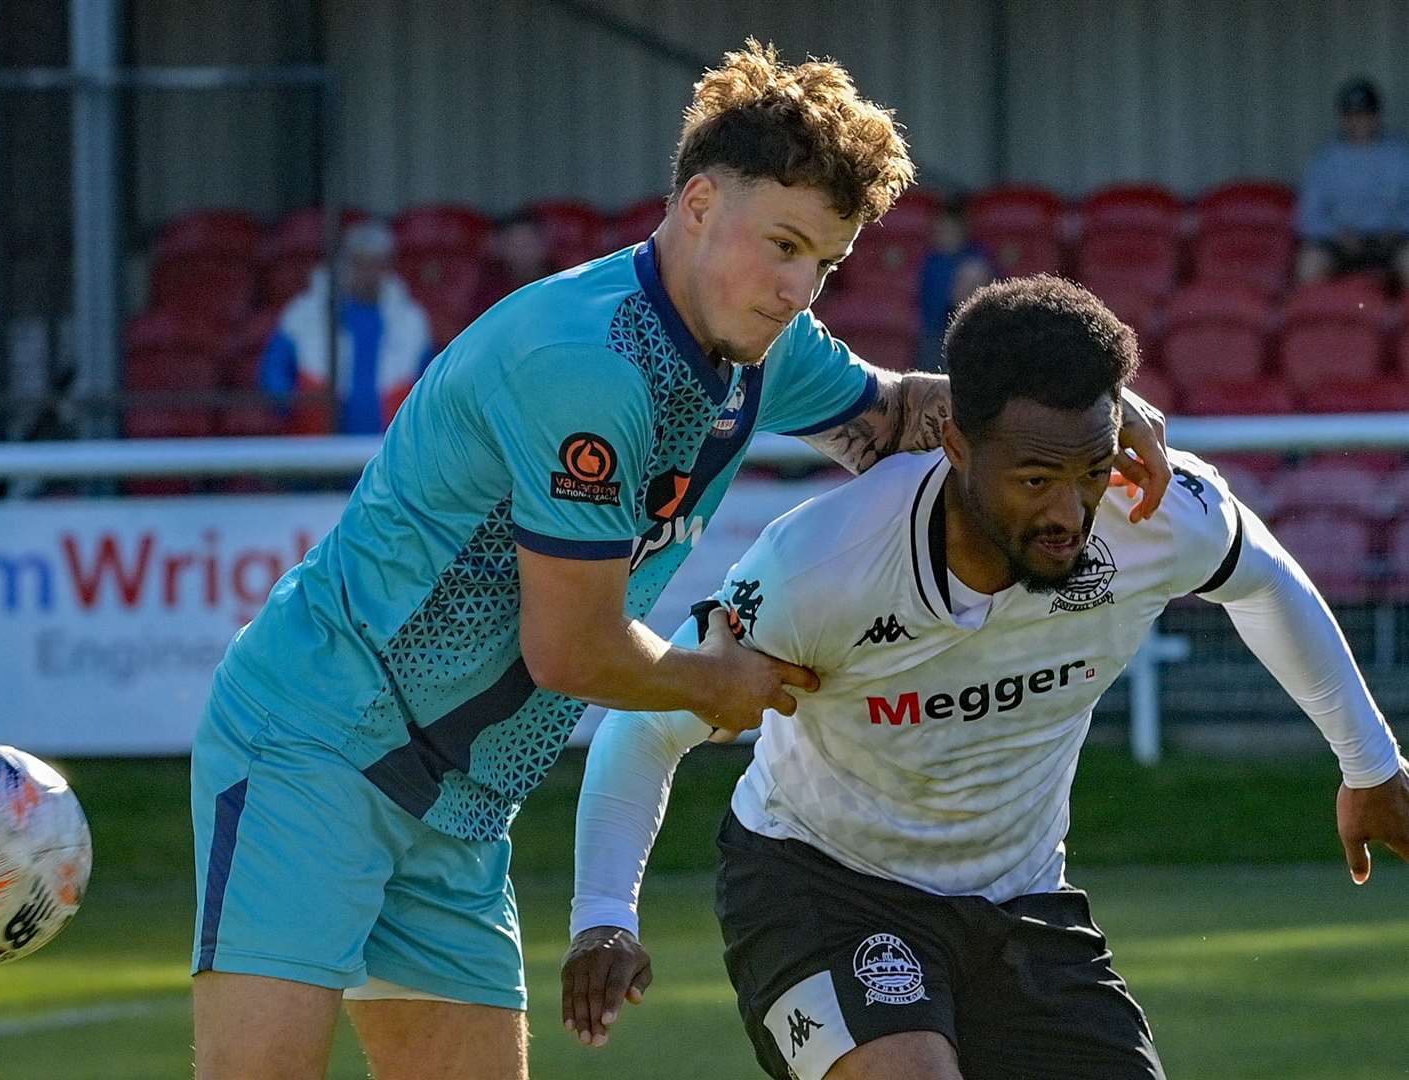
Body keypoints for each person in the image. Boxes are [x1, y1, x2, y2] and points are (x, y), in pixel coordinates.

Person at [189, 40, 1171, 1080]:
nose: (799, 287)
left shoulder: (758, 345)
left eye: (825, 263)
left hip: (459, 807)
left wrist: (1091, 410)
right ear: (698, 204)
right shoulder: (587, 365)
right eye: (783, 245)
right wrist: (717, 684)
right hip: (319, 746)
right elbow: (572, 648)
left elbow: (902, 419)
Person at [565, 275, 1409, 1080]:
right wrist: (605, 914)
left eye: (1087, 473)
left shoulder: (1151, 514)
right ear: (957, 446)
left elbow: (1262, 576)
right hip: (820, 886)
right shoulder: (821, 565)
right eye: (1035, 480)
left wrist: (1369, 764)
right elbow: (645, 725)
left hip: (1022, 899)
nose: (1068, 515)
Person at [258, 220, 434, 434]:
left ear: (388, 268)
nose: (367, 273)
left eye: (376, 264)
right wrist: (289, 402)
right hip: (317, 443)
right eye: (359, 263)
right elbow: (274, 370)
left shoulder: (412, 320)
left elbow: (429, 383)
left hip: (390, 445)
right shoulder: (303, 313)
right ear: (343, 264)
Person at [1295, 77, 1409, 285]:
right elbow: (1309, 216)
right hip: (1341, 241)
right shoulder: (1326, 159)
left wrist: (1398, 227)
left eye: (1365, 114)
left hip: (1392, 239)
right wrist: (1336, 234)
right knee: (1310, 266)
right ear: (1343, 118)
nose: (1359, 122)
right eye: (1353, 115)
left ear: (1377, 115)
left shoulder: (1400, 154)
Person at [916, 195, 992, 370]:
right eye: (940, 229)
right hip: (934, 336)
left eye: (950, 230)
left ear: (962, 229)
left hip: (972, 333)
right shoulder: (931, 261)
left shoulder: (977, 257)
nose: (944, 235)